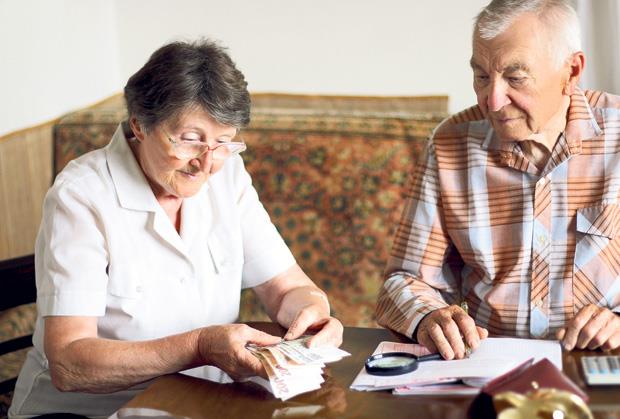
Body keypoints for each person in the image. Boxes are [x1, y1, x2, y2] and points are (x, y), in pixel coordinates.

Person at [9, 39, 343, 418]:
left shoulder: (227, 175)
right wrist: (199, 346)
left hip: (195, 404)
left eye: (223, 143)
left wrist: (312, 312)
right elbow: (70, 363)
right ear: (139, 124)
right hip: (91, 412)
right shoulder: (81, 196)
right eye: (190, 141)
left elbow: (288, 288)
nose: (206, 164)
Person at [376, 0, 620, 361]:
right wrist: (429, 315)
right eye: (482, 76)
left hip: (600, 366)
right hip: (488, 368)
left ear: (572, 72)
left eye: (515, 78)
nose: (492, 100)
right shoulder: (452, 142)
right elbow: (404, 282)